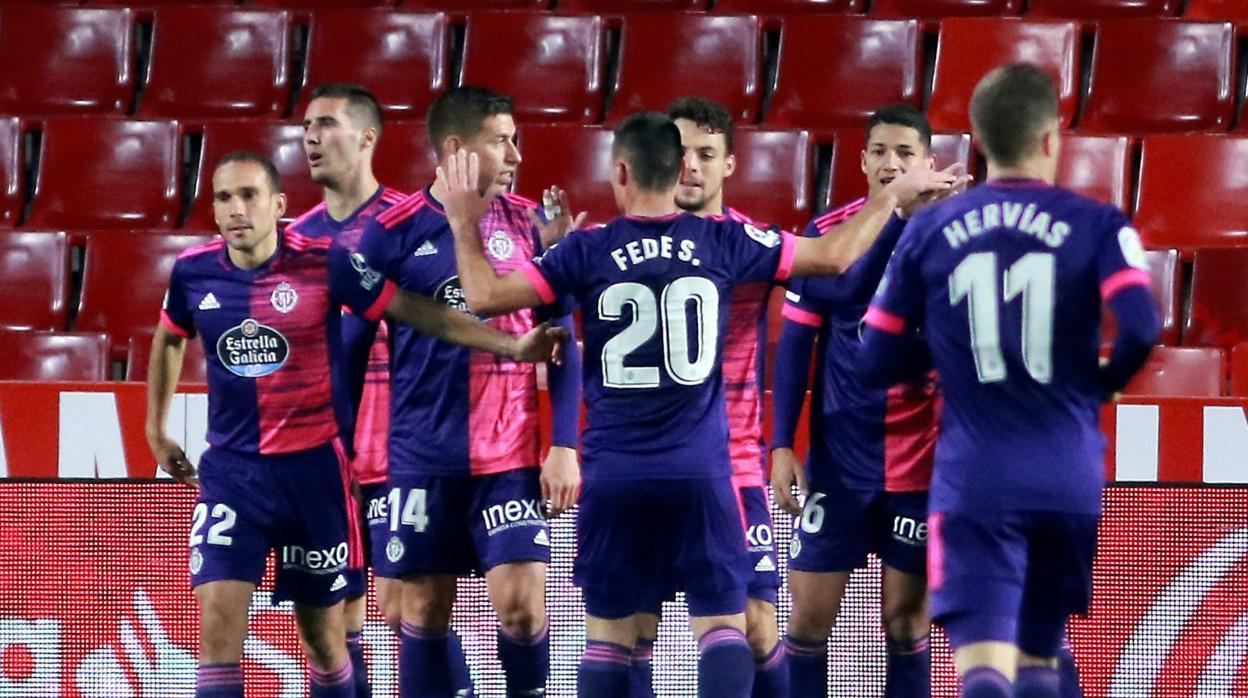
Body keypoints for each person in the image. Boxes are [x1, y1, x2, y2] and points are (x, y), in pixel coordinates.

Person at [438, 111, 965, 698]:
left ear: (620, 170)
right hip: (702, 472)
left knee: (610, 638)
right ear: (679, 167)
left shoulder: (584, 250)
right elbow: (837, 260)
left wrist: (464, 224)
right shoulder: (723, 240)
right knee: (723, 628)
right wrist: (890, 197)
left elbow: (483, 296)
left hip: (614, 475)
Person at [145, 152, 565, 698]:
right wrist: (157, 428)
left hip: (314, 476)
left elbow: (414, 310)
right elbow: (171, 335)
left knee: (324, 641)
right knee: (217, 628)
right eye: (224, 197)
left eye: (248, 195)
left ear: (279, 206)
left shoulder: (326, 262)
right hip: (232, 475)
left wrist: (510, 344)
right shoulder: (192, 271)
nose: (235, 209)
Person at [858, 64, 1159, 698]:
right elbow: (1140, 326)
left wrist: (942, 355)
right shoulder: (1098, 223)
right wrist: (1100, 384)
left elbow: (875, 356)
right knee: (1040, 659)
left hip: (976, 476)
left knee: (986, 668)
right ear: (1052, 138)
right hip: (1067, 473)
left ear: (977, 139)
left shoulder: (929, 230)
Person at [355, 86, 583, 698]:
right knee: (422, 610)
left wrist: (564, 444)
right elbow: (352, 344)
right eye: (501, 139)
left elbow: (565, 339)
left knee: (524, 609)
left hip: (508, 456)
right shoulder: (389, 233)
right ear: (455, 150)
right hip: (422, 454)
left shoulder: (532, 224)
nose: (515, 152)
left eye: (516, 139)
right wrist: (344, 445)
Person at [771, 104, 946, 698]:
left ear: (928, 161)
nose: (891, 163)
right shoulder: (828, 235)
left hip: (920, 463)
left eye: (905, 153)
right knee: (808, 620)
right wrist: (779, 447)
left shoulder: (955, 234)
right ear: (862, 159)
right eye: (880, 151)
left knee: (906, 623)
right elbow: (796, 344)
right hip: (838, 463)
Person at [625, 96, 789, 698]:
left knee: (756, 625)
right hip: (642, 465)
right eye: (680, 152)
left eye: (706, 153)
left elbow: (837, 273)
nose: (690, 165)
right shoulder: (625, 246)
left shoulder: (752, 244)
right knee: (632, 630)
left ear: (729, 165)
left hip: (735, 465)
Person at [287, 81, 406, 698]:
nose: (310, 136)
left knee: (415, 611)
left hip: (400, 452)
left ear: (366, 137)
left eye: (326, 123)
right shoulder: (292, 241)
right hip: (321, 455)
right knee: (329, 626)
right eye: (307, 125)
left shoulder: (409, 225)